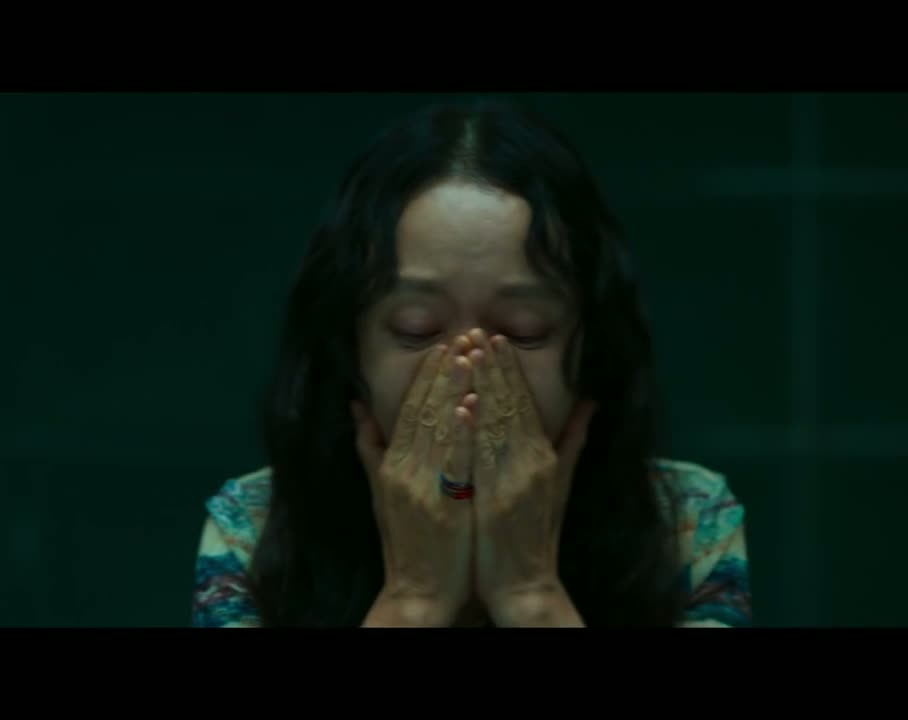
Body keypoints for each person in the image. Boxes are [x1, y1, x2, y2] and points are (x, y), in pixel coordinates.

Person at [191, 99, 751, 628]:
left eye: (524, 331)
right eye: (417, 328)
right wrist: (415, 596)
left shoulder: (686, 522)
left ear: (592, 343)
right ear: (349, 344)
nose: (468, 373)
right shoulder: (256, 528)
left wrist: (530, 594)